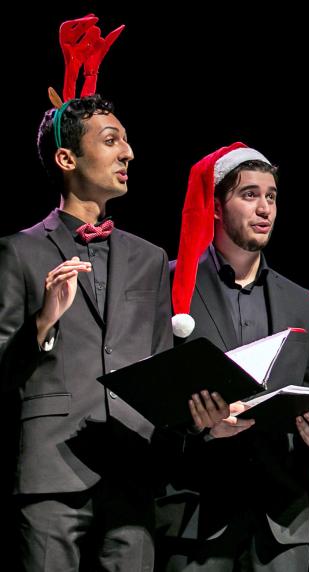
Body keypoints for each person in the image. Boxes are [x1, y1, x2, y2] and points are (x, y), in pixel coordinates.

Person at [0, 15, 174, 571]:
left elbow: (162, 366)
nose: (128, 153)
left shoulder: (150, 259)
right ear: (67, 159)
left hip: (131, 467)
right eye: (111, 140)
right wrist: (44, 323)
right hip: (52, 467)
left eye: (126, 140)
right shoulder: (19, 251)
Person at [158, 142, 309, 571]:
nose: (265, 208)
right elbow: (149, 393)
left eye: (272, 196)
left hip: (280, 521)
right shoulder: (170, 283)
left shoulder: (301, 302)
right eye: (249, 194)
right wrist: (200, 428)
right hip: (196, 514)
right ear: (217, 206)